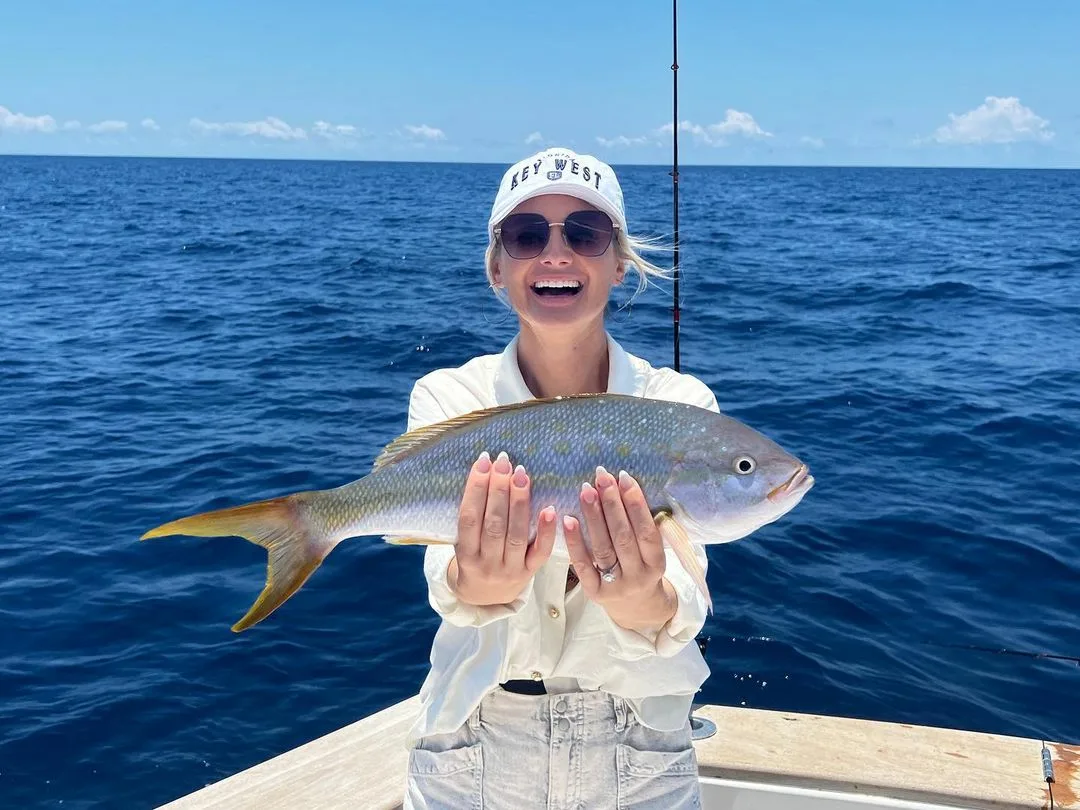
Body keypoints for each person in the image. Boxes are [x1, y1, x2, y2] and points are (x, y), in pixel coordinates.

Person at [403, 147, 716, 809]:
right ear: (496, 265)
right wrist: (477, 583)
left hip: (644, 749)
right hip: (474, 743)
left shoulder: (683, 407)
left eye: (585, 233)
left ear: (619, 261)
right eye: (525, 235)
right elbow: (447, 586)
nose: (555, 253)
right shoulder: (446, 398)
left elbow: (685, 596)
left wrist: (643, 599)